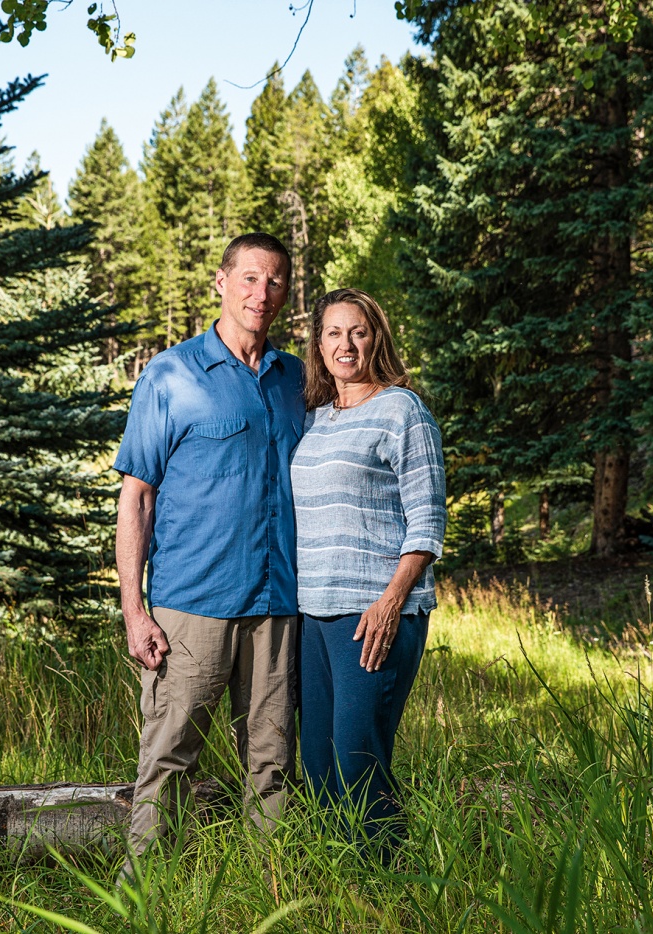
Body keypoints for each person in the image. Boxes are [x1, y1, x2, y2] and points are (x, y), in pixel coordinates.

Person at [113, 232, 304, 863]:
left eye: (275, 280)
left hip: (278, 602)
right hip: (191, 605)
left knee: (272, 761)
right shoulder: (170, 375)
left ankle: (268, 888)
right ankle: (143, 897)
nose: (262, 293)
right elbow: (136, 498)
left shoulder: (296, 379)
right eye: (249, 278)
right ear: (221, 283)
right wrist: (135, 611)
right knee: (169, 759)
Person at [291, 287, 446, 851]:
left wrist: (389, 603)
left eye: (357, 331)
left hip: (375, 612)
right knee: (317, 766)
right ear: (319, 345)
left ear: (375, 336)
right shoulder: (314, 418)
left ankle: (391, 883)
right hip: (313, 615)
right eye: (333, 333)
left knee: (358, 760)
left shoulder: (402, 410)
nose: (345, 344)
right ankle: (343, 890)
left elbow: (427, 525)